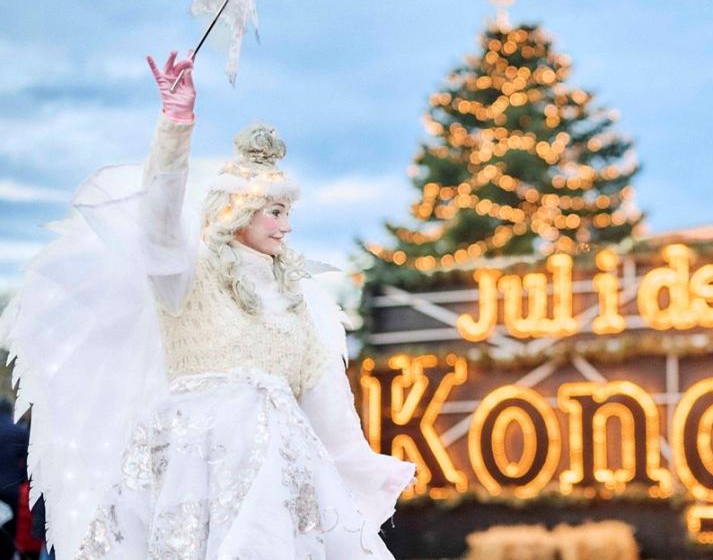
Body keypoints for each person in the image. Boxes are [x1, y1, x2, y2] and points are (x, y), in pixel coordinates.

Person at [0, 51, 415, 559]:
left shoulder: (298, 303)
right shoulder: (187, 276)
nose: (286, 226)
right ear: (237, 210)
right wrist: (176, 126)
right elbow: (157, 220)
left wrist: (365, 467)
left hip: (278, 495)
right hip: (190, 480)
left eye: (289, 212)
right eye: (275, 211)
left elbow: (329, 412)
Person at [0, 398, 29, 559]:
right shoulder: (19, 432)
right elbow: (28, 462)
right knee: (8, 534)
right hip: (10, 490)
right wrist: (22, 479)